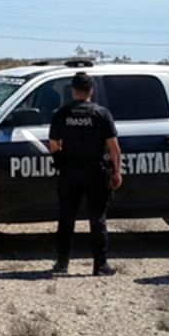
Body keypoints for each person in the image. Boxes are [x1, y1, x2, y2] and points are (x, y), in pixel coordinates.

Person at [48, 72, 122, 276]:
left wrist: (62, 162)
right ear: (91, 90)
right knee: (97, 218)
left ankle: (62, 264)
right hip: (96, 172)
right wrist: (117, 171)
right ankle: (100, 265)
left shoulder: (62, 113)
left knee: (66, 217)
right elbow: (114, 148)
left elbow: (53, 145)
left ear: (73, 90)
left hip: (70, 173)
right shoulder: (101, 113)